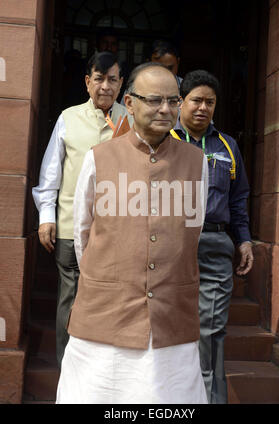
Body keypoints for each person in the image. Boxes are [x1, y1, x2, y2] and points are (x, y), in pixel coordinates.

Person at [55, 62, 209, 404]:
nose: (166, 109)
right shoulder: (100, 158)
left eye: (173, 100)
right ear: (131, 101)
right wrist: (114, 273)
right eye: (155, 100)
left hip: (172, 312)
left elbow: (191, 234)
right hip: (105, 311)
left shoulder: (196, 161)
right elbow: (83, 232)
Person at [32, 51, 132, 367]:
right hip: (69, 225)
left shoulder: (130, 121)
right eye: (99, 79)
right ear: (88, 82)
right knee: (70, 298)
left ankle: (98, 372)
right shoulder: (68, 117)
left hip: (116, 230)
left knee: (110, 300)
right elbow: (51, 172)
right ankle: (68, 370)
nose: (106, 86)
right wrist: (46, 217)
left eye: (112, 79)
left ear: (121, 84)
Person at [171, 69, 254, 404]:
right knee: (168, 326)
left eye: (210, 102)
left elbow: (238, 197)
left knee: (211, 329)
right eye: (196, 100)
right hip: (171, 247)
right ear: (181, 103)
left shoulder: (227, 146)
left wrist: (244, 239)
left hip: (216, 245)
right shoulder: (165, 141)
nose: (202, 108)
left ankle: (210, 399)